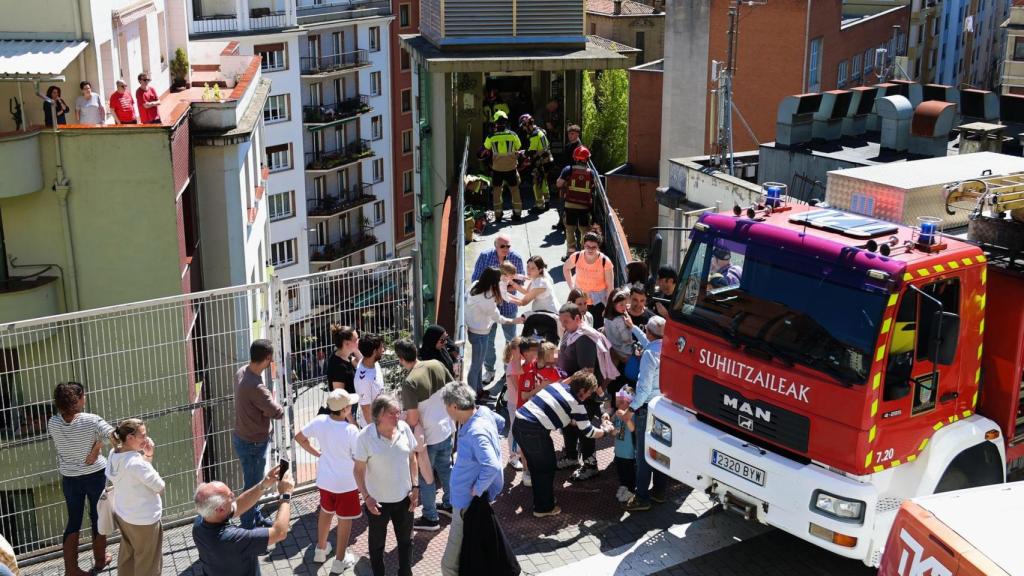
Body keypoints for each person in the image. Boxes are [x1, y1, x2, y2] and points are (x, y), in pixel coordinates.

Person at [513, 371, 614, 517]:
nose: (589, 396)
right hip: (534, 432)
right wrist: (606, 430)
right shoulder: (576, 404)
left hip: (519, 423)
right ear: (582, 390)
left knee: (537, 465)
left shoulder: (557, 386)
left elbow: (561, 413)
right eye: (589, 392)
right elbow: (589, 432)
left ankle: (542, 498)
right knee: (545, 467)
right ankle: (543, 508)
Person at [48, 382, 116, 576]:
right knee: (98, 516)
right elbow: (114, 435)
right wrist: (97, 447)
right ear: (77, 400)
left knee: (74, 521)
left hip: (70, 478)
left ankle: (71, 569)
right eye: (83, 396)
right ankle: (100, 560)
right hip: (95, 475)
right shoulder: (92, 420)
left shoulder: (53, 423)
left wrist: (95, 446)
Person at [439, 382, 506, 576]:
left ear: (454, 406)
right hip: (469, 501)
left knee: (449, 565)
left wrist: (478, 488)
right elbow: (501, 422)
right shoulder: (483, 412)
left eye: (446, 406)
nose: (446, 411)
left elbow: (491, 465)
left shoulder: (476, 432)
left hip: (466, 503)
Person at [295, 389, 362, 572]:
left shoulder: (320, 421)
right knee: (345, 520)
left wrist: (317, 453)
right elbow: (359, 457)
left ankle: (321, 549)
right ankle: (339, 561)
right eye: (349, 406)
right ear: (345, 409)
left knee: (326, 512)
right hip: (346, 483)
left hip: (325, 480)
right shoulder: (351, 430)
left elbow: (299, 437)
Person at [353, 395, 419, 576]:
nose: (398, 416)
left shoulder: (404, 428)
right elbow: (358, 471)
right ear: (379, 414)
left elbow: (412, 458)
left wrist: (415, 486)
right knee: (377, 546)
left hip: (404, 499)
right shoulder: (365, 437)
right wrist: (366, 497)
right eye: (392, 413)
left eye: (399, 412)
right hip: (377, 503)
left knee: (406, 541)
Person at [395, 338, 455, 531]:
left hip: (427, 438)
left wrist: (403, 419)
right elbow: (454, 389)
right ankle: (451, 504)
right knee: (446, 469)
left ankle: (430, 517)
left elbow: (413, 419)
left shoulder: (409, 383)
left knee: (426, 478)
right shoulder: (436, 364)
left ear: (401, 359)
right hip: (446, 429)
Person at [193, 465, 294, 576]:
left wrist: (263, 485)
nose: (234, 495)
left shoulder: (201, 522)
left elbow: (238, 505)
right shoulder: (232, 539)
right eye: (230, 496)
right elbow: (279, 533)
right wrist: (286, 495)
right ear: (220, 509)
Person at [557, 303, 620, 481]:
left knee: (584, 430)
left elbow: (587, 371)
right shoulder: (571, 333)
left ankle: (590, 466)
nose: (563, 325)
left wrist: (563, 383)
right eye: (561, 321)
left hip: (584, 395)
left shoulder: (584, 338)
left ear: (577, 318)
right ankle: (571, 457)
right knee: (568, 425)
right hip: (572, 393)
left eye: (566, 321)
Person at [233, 339, 284, 529]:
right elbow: (277, 412)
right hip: (254, 443)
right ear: (268, 358)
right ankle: (248, 527)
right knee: (254, 486)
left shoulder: (241, 372)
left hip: (242, 437)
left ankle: (255, 517)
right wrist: (270, 401)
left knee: (253, 482)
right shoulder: (257, 387)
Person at [106, 418, 164, 576]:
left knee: (128, 556)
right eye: (143, 435)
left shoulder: (114, 453)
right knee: (148, 563)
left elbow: (135, 476)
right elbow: (160, 487)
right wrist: (149, 456)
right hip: (144, 520)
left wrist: (146, 456)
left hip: (124, 515)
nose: (146, 439)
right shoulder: (137, 463)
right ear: (130, 438)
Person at [623, 316, 669, 512]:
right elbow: (651, 341)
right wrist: (633, 327)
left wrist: (630, 409)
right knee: (662, 450)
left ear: (649, 333)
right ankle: (659, 492)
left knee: (644, 455)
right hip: (666, 408)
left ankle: (642, 497)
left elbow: (643, 389)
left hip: (648, 408)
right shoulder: (670, 348)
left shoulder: (649, 355)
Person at [472, 234, 525, 383]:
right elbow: (476, 279)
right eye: (502, 246)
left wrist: (502, 289)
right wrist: (497, 290)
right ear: (495, 246)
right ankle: (489, 370)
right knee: (489, 340)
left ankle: (509, 369)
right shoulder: (485, 257)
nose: (506, 249)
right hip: (489, 306)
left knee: (511, 340)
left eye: (508, 246)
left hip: (508, 307)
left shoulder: (516, 258)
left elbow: (519, 283)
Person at [467, 268, 523, 395]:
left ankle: (478, 391)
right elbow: (499, 318)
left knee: (478, 365)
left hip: (475, 332)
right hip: (480, 334)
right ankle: (472, 397)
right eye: (499, 280)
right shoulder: (486, 299)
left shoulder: (476, 285)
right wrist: (515, 320)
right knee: (475, 367)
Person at [563, 232, 615, 328]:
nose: (590, 249)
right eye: (588, 246)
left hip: (598, 301)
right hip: (579, 300)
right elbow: (566, 268)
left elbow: (610, 286)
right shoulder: (577, 256)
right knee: (577, 326)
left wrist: (608, 306)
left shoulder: (605, 261)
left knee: (597, 327)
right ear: (584, 245)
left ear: (598, 247)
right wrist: (572, 287)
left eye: (593, 247)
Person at [504, 255, 560, 344]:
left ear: (540, 269)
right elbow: (526, 291)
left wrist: (503, 295)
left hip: (549, 319)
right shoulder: (538, 277)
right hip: (543, 317)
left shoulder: (541, 283)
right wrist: (511, 282)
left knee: (546, 347)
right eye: (528, 267)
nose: (529, 270)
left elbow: (523, 302)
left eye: (533, 268)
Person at [483, 110, 524, 222]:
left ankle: (498, 215)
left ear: (495, 123)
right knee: (514, 190)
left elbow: (486, 148)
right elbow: (518, 147)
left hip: (497, 169)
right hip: (511, 168)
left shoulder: (491, 137)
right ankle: (517, 213)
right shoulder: (513, 135)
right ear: (506, 122)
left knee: (497, 190)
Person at [556, 146, 596, 256]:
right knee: (585, 231)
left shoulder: (568, 170)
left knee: (570, 230)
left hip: (570, 205)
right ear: (587, 159)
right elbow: (594, 187)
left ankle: (571, 254)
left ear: (575, 158)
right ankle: (584, 254)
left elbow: (559, 184)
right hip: (585, 206)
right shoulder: (591, 173)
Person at [520, 113, 553, 213]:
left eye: (523, 126)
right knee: (543, 181)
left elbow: (531, 151)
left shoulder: (534, 134)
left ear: (527, 124)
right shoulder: (540, 130)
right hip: (547, 159)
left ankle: (539, 206)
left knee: (536, 182)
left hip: (540, 161)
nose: (523, 129)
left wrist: (521, 154)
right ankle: (547, 201)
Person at [609, 388, 637, 503]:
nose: (618, 405)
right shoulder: (617, 414)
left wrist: (626, 418)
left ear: (630, 403)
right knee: (621, 470)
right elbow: (613, 431)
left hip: (629, 452)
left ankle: (631, 490)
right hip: (619, 451)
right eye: (618, 402)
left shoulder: (632, 415)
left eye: (621, 402)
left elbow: (633, 428)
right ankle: (623, 486)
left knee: (630, 472)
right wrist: (611, 427)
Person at [355, 332, 386, 427]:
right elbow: (366, 409)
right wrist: (375, 431)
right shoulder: (363, 380)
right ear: (374, 351)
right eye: (381, 347)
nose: (383, 350)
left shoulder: (373, 362)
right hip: (374, 427)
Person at [327, 324, 360, 395]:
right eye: (356, 339)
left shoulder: (346, 355)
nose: (358, 341)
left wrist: (355, 348)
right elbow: (339, 396)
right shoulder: (338, 366)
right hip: (349, 401)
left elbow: (361, 364)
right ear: (346, 343)